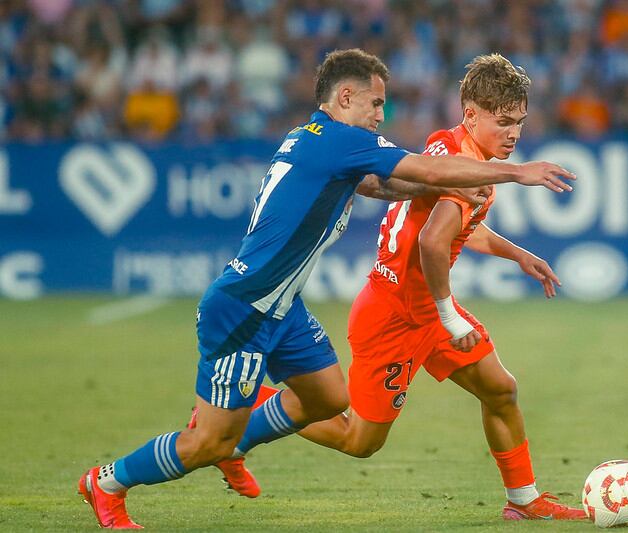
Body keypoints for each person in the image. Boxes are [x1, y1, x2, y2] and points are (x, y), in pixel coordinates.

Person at [77, 48, 576, 529]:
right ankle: (109, 482)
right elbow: (421, 179)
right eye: (375, 103)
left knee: (328, 399)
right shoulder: (341, 140)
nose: (383, 113)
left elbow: (382, 187)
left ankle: (523, 500)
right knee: (214, 442)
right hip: (246, 308)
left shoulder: (315, 138)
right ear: (344, 98)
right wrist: (515, 173)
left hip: (285, 308)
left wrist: (464, 202)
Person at [216, 54, 586, 521]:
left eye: (520, 123)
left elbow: (454, 228)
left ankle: (524, 501)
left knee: (500, 390)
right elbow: (434, 243)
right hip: (393, 315)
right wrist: (450, 317)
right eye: (504, 122)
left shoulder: (452, 151)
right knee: (359, 441)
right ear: (470, 113)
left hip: (423, 308)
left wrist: (517, 254)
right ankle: (246, 405)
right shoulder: (463, 164)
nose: (513, 133)